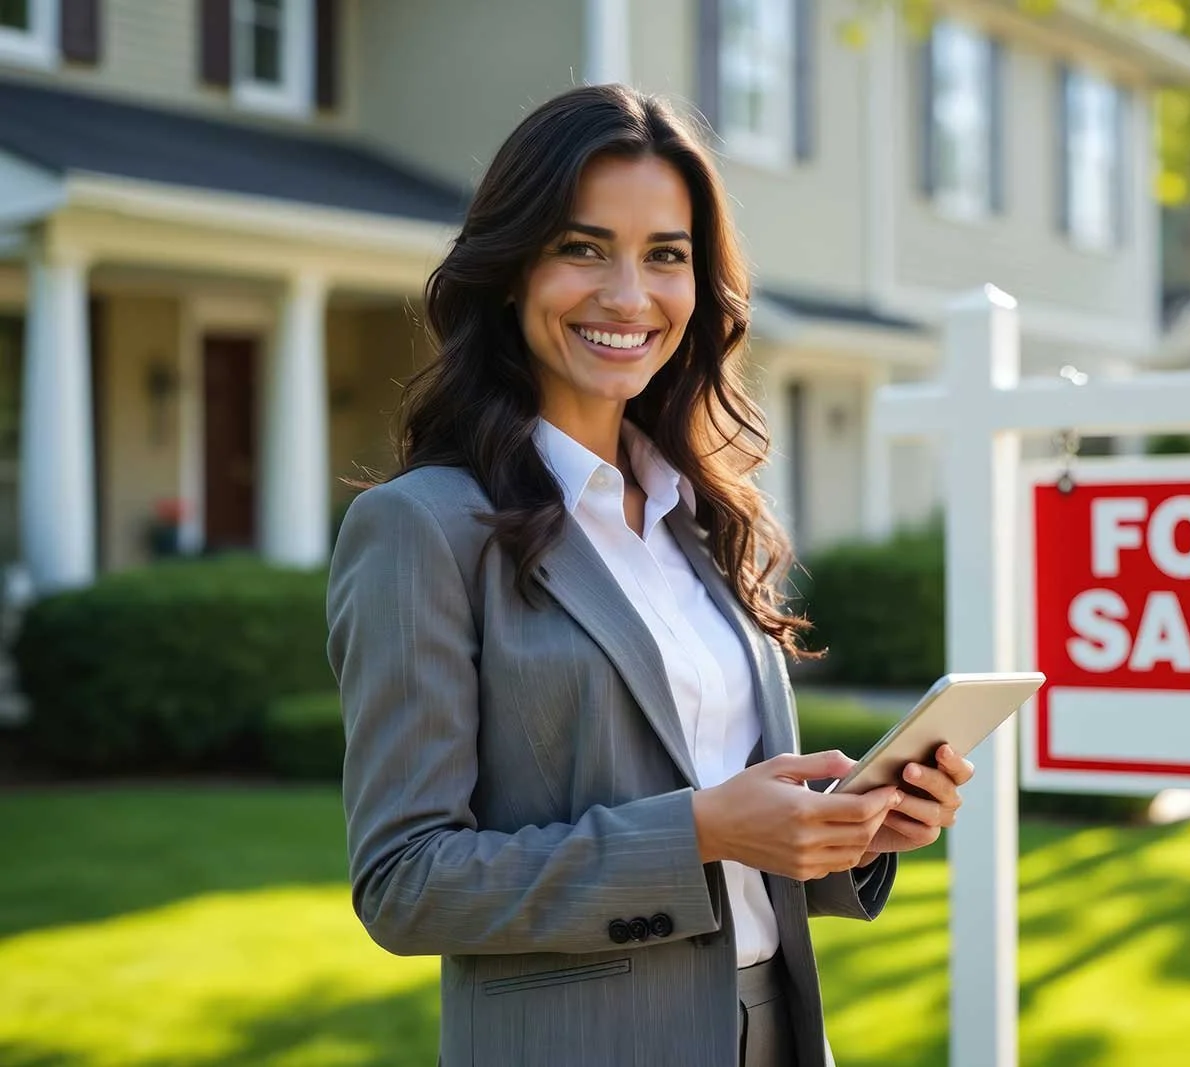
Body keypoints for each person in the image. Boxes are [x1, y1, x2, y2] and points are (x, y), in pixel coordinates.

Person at [325, 83, 975, 1067]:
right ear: (510, 270)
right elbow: (407, 882)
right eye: (582, 248)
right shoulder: (420, 529)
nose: (628, 296)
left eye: (666, 255)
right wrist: (704, 827)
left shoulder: (700, 515)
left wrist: (855, 827)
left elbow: (740, 842)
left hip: (776, 1032)